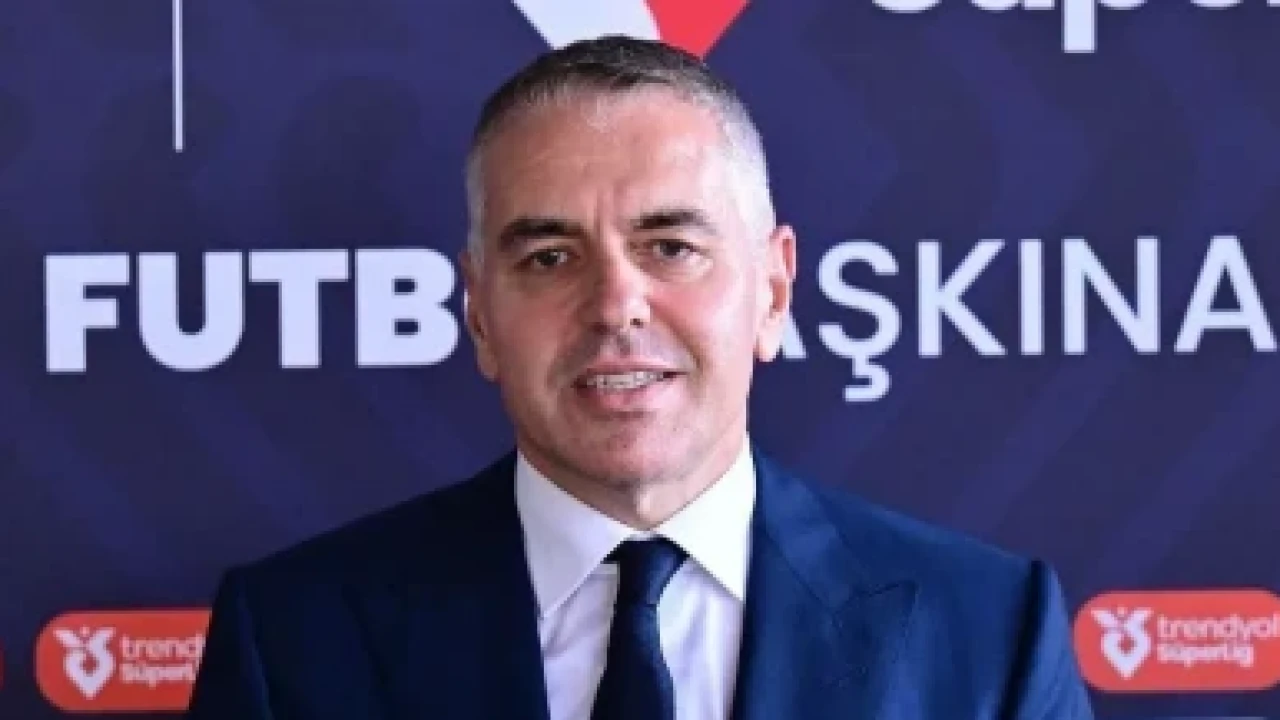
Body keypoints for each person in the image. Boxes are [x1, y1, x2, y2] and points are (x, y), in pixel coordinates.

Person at [186, 35, 1095, 720]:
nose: (616, 305)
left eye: (670, 247)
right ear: (479, 314)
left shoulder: (990, 634)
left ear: (773, 292)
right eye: (549, 257)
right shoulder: (293, 643)